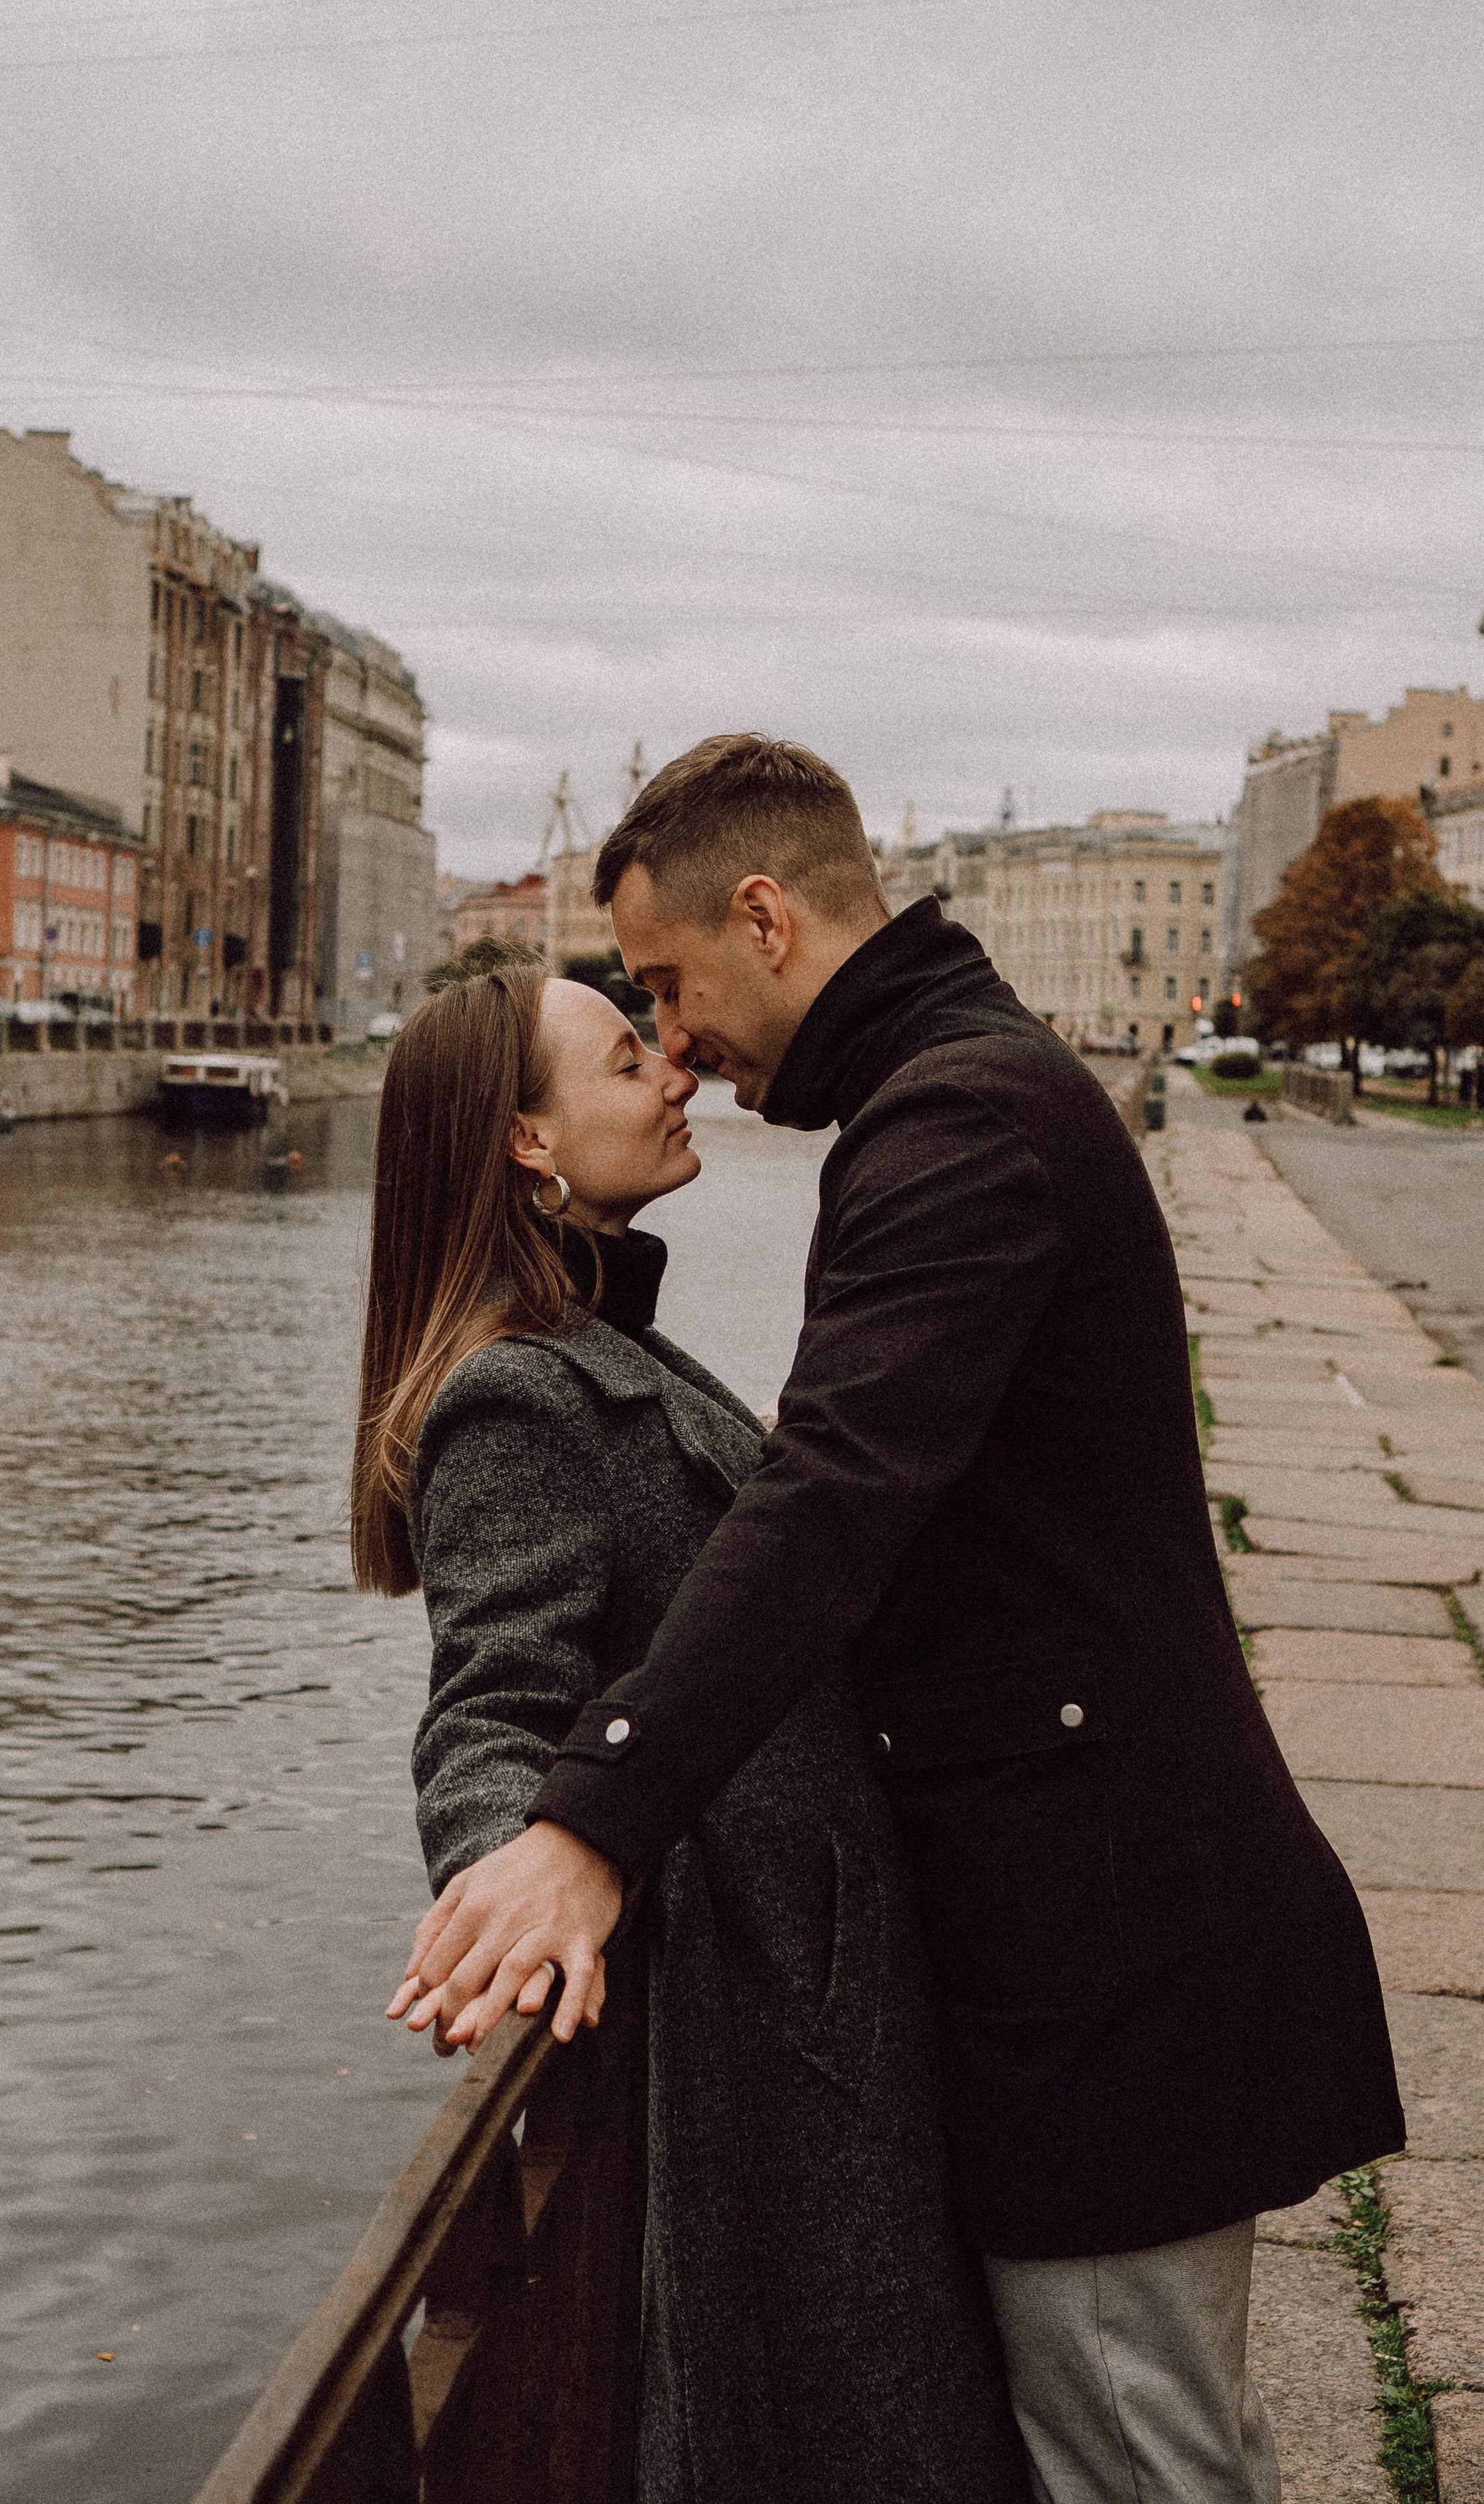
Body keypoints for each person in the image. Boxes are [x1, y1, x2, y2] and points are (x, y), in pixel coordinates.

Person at [392, 737, 1407, 2504]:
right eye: (632, 1019)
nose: (681, 1043)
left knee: (1143, 2472)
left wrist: (592, 1817)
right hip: (1073, 1939)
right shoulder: (954, 1097)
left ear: (767, 917)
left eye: (669, 989)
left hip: (1103, 1952)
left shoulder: (958, 1124)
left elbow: (831, 1505)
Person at [355, 958, 1030, 2504]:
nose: (671, 1068)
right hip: (764, 2025)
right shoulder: (515, 1399)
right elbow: (491, 1702)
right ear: (527, 1143)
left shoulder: (618, 1349)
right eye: (618, 1058)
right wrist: (512, 1880)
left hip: (817, 1994)